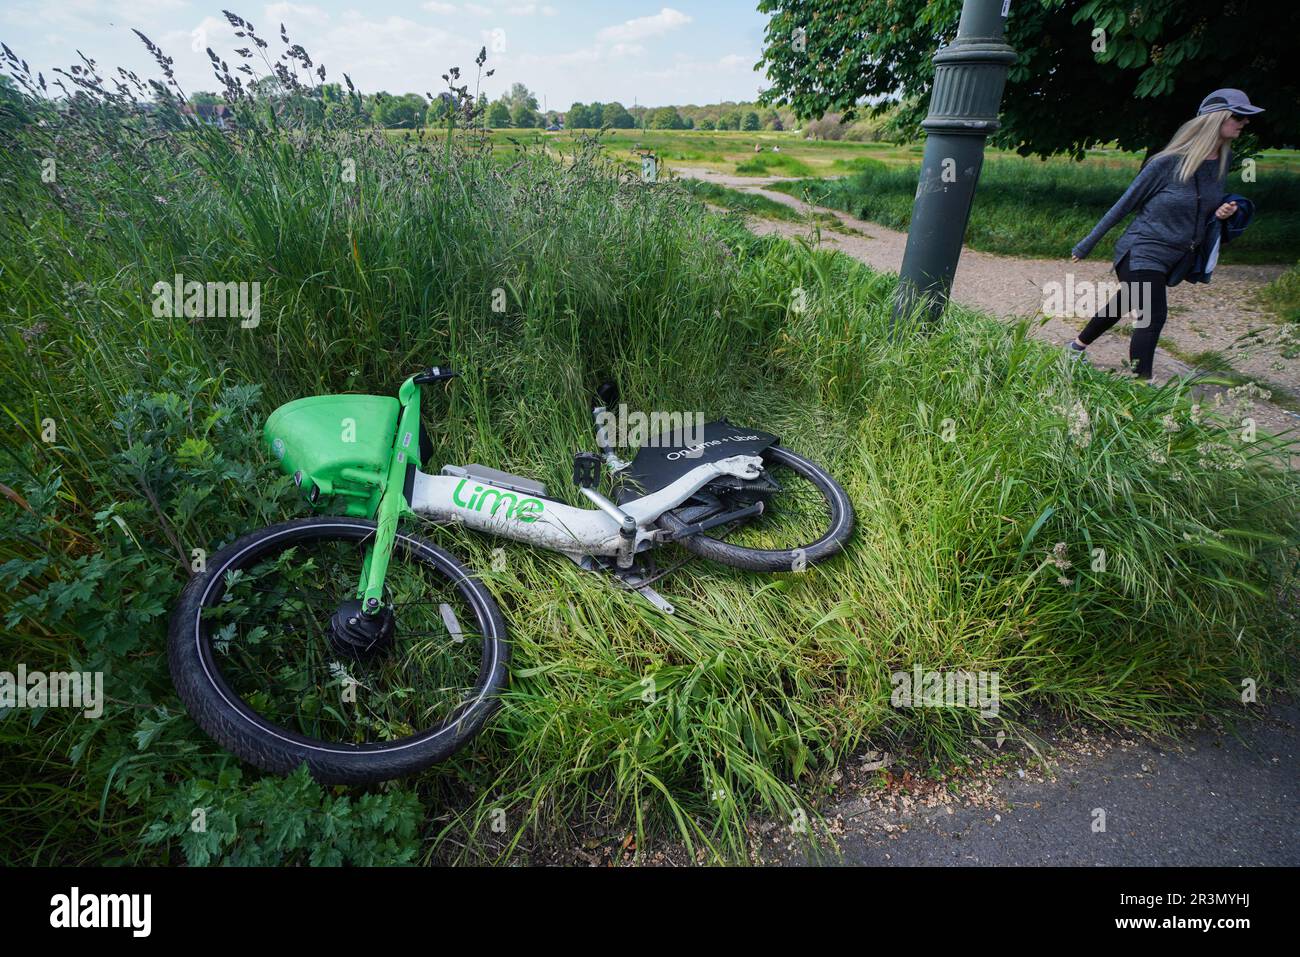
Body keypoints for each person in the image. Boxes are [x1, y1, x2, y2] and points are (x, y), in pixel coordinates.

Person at [1066, 88, 1263, 379]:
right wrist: (1085, 245)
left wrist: (1222, 211)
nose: (1244, 123)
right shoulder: (1165, 163)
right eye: (1237, 116)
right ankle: (1140, 387)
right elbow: (1124, 205)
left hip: (1177, 254)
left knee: (1126, 301)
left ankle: (1074, 349)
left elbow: (1201, 206)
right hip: (1141, 251)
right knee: (1153, 316)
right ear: (1216, 119)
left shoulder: (1222, 160)